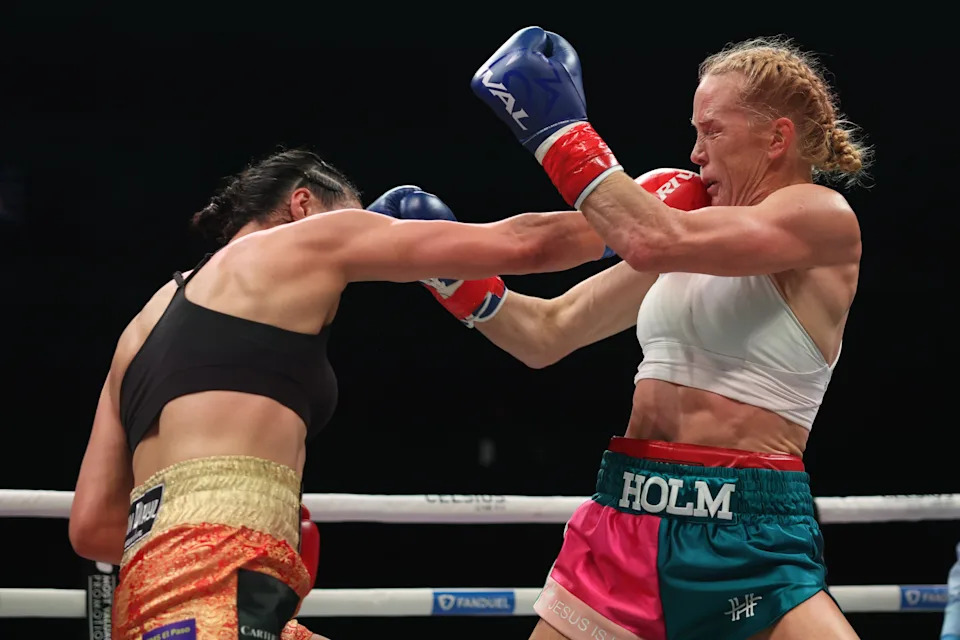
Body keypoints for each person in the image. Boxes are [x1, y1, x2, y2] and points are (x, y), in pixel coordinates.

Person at [418, 28, 871, 640]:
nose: (696, 153)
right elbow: (546, 333)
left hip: (747, 528)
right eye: (695, 132)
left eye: (712, 130)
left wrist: (561, 134)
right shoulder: (686, 230)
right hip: (624, 515)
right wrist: (457, 284)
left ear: (776, 138)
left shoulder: (821, 218)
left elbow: (652, 238)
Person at [67, 147, 613, 640]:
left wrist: (246, 518)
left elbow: (93, 527)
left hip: (152, 602)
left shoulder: (141, 326)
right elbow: (527, 242)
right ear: (303, 204)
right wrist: (647, 210)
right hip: (219, 593)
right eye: (353, 217)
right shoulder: (306, 240)